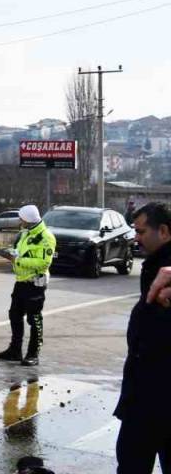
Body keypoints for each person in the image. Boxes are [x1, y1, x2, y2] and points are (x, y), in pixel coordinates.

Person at [114, 202, 171, 472]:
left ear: (164, 231)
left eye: (141, 231)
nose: (135, 238)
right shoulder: (153, 265)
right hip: (143, 393)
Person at [0, 205, 55, 367]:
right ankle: (15, 350)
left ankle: (33, 354)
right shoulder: (25, 233)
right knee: (14, 314)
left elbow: (44, 263)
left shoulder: (45, 237)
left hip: (35, 283)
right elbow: (21, 252)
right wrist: (9, 253)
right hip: (21, 281)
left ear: (28, 220)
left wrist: (18, 260)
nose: (19, 221)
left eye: (21, 218)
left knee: (34, 319)